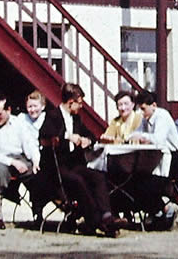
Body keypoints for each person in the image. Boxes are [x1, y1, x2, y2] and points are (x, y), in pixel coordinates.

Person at [39, 83, 120, 236]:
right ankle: (95, 220)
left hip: (74, 163)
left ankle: (107, 215)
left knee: (97, 176)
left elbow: (90, 134)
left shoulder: (76, 118)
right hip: (57, 166)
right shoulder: (52, 116)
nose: (81, 106)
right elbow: (45, 136)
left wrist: (86, 140)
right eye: (80, 103)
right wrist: (68, 137)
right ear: (71, 102)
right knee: (77, 180)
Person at [0, 94, 41, 229]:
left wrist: (36, 160)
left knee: (37, 172)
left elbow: (29, 144)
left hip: (19, 158)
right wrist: (13, 162)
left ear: (8, 110)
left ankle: (38, 213)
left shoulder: (19, 123)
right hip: (1, 161)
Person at [128, 90, 178, 229]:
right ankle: (161, 210)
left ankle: (164, 209)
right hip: (154, 159)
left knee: (147, 185)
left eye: (143, 109)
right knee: (134, 180)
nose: (141, 112)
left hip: (171, 160)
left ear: (153, 105)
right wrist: (133, 136)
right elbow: (136, 132)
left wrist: (142, 137)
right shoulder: (146, 118)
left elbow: (158, 139)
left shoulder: (162, 116)